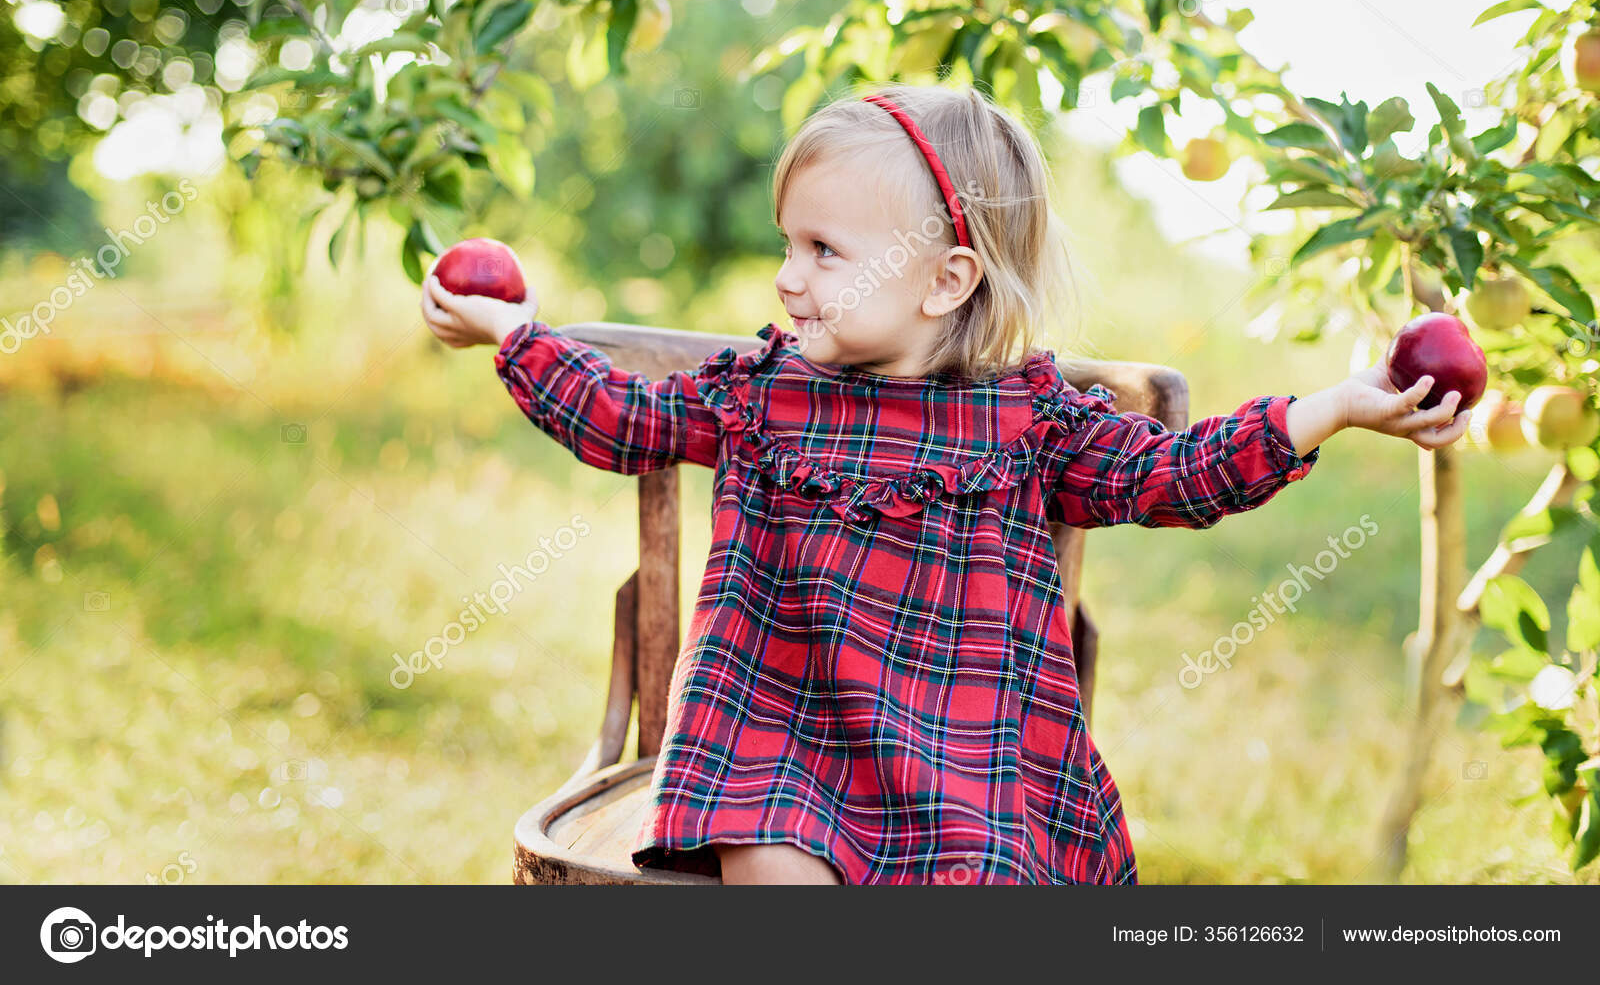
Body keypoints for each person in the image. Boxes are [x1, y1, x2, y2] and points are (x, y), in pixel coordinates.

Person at [420, 82, 1470, 884]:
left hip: (967, 763)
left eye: (824, 251)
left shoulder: (1029, 421)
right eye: (787, 244)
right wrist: (514, 331)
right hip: (781, 750)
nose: (787, 276)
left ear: (944, 278)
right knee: (770, 865)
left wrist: (1332, 407)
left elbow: (1175, 475)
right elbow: (620, 416)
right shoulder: (761, 394)